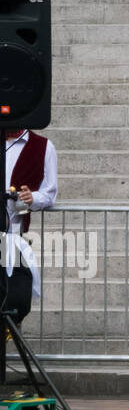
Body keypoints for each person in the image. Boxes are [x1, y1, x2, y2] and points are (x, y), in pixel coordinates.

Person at [2, 127, 57, 326]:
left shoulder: (43, 146)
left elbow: (49, 193)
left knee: (18, 300)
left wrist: (33, 198)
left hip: (13, 235)